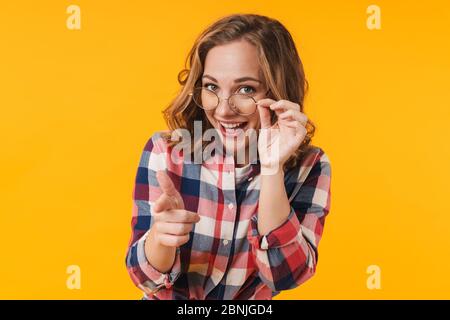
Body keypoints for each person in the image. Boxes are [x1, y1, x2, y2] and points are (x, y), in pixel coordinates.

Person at [125, 13, 332, 300]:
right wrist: (162, 238)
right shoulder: (166, 152)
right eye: (212, 87)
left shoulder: (310, 166)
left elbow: (285, 276)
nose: (223, 110)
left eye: (245, 89)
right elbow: (144, 279)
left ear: (278, 91)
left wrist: (272, 168)